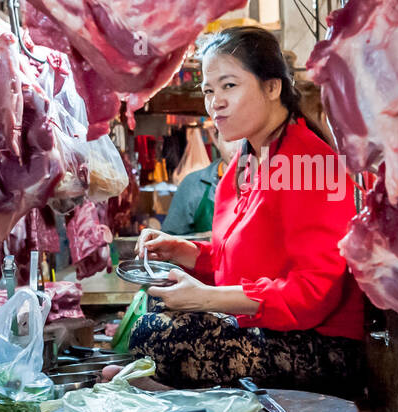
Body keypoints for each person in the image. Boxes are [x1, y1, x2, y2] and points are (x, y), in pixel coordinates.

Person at [128, 26, 364, 392]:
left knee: (161, 337)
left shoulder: (313, 164)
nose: (215, 101)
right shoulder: (244, 162)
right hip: (269, 331)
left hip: (321, 346)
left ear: (272, 88)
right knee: (156, 314)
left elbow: (314, 293)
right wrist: (185, 252)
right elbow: (243, 262)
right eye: (208, 90)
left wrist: (207, 298)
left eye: (229, 86)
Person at [160, 128, 238, 236]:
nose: (238, 148)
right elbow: (168, 240)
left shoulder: (265, 184)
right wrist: (199, 239)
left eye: (246, 140)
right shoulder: (193, 185)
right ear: (216, 139)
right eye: (230, 139)